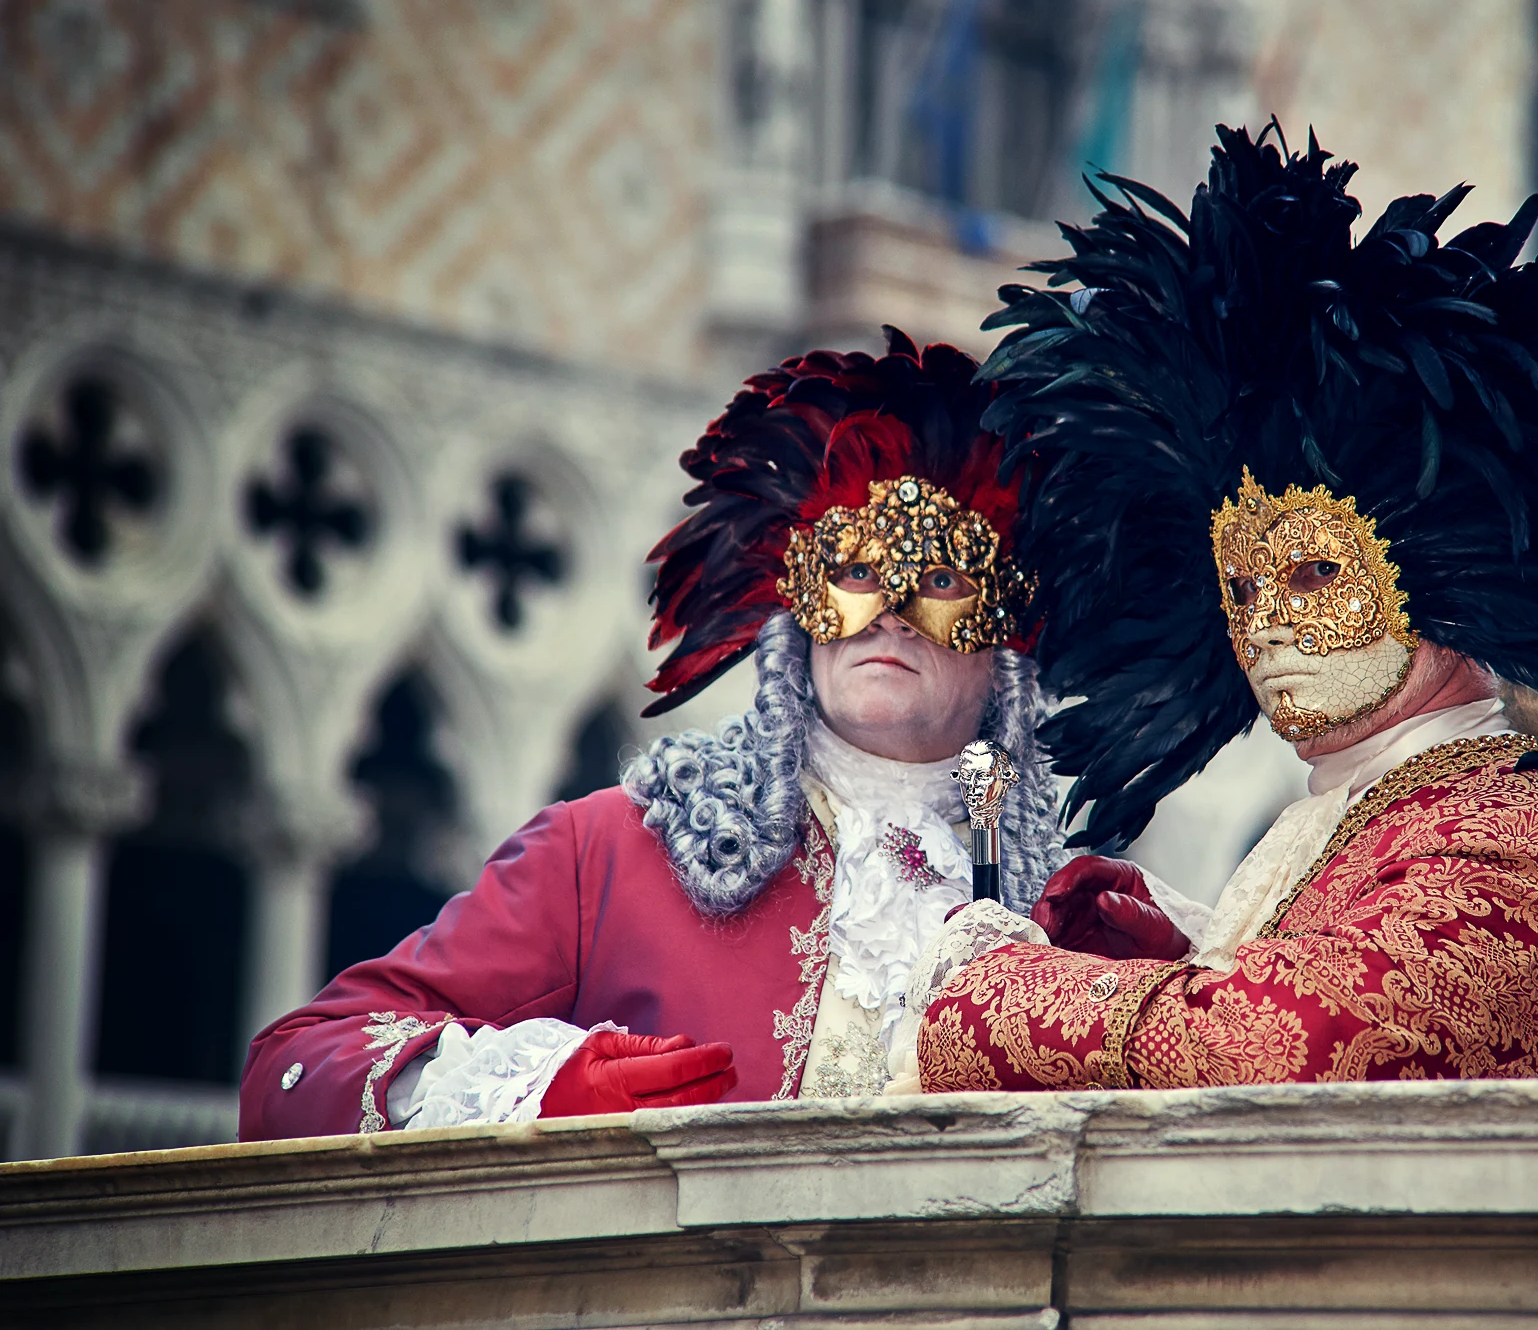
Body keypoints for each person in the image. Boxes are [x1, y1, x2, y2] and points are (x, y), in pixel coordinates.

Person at [908, 124, 1538, 1090]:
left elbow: (1288, 1043)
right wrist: (1167, 947)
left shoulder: (1524, 842)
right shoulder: (1368, 820)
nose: (1264, 621)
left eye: (1314, 574)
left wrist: (1000, 995)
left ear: (1443, 587)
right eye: (1240, 587)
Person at [239, 331, 1158, 1139]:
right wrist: (535, 1091)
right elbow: (295, 1069)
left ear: (1008, 641)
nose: (889, 615)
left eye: (943, 578)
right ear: (797, 613)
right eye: (854, 573)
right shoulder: (605, 858)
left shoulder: (1078, 925)